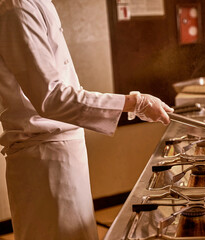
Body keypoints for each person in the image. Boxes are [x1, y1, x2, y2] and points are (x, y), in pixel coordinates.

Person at [0, 0, 173, 239]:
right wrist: (134, 103)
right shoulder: (17, 9)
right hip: (43, 158)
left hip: (61, 149)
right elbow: (51, 98)